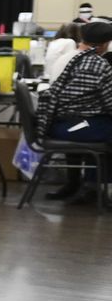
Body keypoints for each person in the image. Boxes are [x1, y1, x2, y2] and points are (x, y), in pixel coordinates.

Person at [36, 19, 112, 203]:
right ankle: (95, 188)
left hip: (56, 123)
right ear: (104, 44)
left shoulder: (71, 58)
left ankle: (87, 185)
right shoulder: (98, 64)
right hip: (70, 125)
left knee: (102, 125)